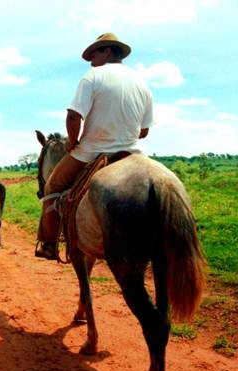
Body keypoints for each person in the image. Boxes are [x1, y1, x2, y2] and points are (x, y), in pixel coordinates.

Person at [35, 33, 154, 260]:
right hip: (131, 152)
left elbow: (73, 117)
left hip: (91, 151)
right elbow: (145, 131)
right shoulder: (141, 83)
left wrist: (73, 142)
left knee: (52, 186)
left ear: (108, 51)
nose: (91, 60)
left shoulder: (93, 76)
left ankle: (49, 245)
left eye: (94, 54)